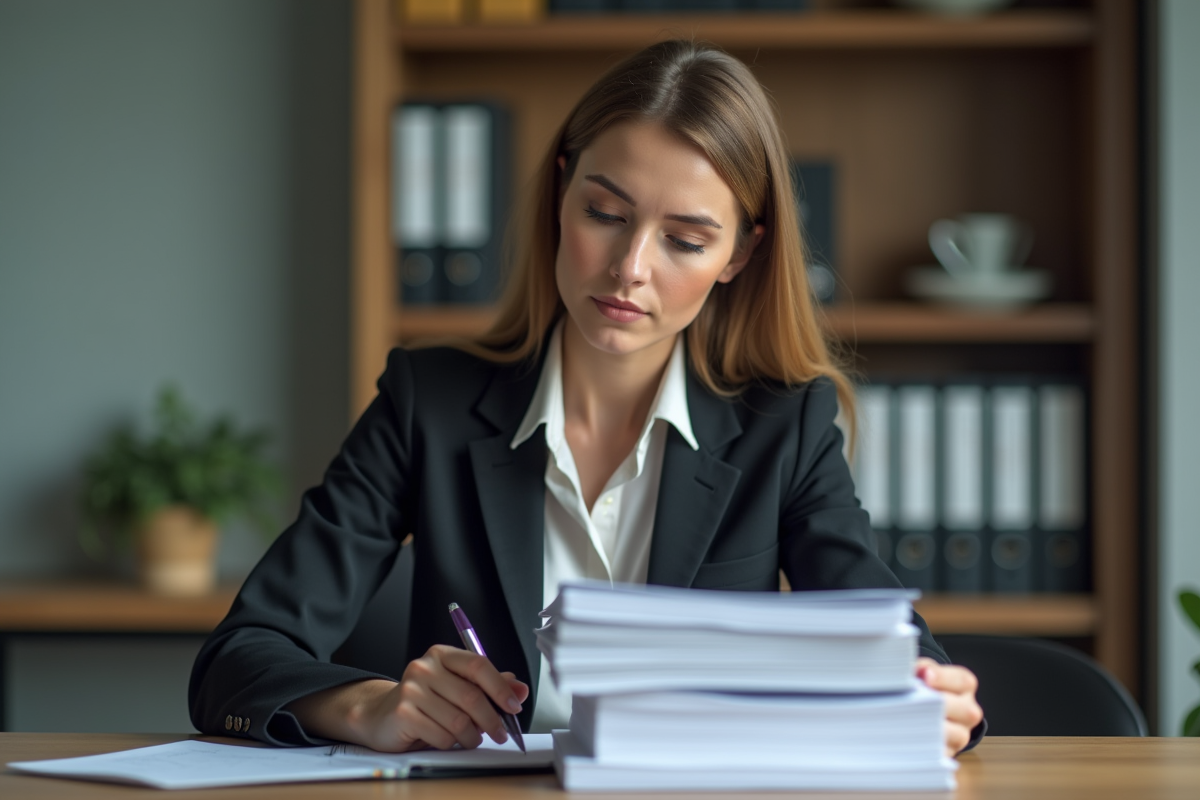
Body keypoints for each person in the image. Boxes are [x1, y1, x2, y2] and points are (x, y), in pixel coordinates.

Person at [189, 39, 984, 759]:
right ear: (561, 194)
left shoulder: (787, 424)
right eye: (605, 214)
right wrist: (369, 706)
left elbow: (896, 649)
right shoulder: (424, 403)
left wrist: (933, 701)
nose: (630, 267)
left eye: (685, 239)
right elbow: (240, 658)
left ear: (741, 254)